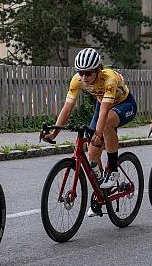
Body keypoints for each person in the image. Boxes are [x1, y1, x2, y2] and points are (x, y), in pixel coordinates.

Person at [45, 48, 137, 217]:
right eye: (81, 73)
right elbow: (67, 108)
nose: (84, 77)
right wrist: (54, 133)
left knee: (106, 124)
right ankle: (101, 194)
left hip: (124, 105)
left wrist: (98, 133)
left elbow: (104, 113)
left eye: (88, 73)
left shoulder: (109, 78)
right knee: (92, 154)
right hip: (102, 104)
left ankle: (114, 167)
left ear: (97, 70)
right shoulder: (77, 80)